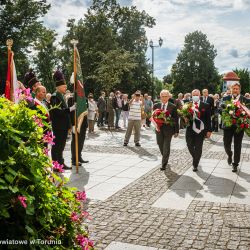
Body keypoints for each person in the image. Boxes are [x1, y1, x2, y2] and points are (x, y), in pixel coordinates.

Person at [49, 70, 75, 170]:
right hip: (58, 126)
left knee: (61, 146)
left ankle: (61, 163)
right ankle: (56, 165)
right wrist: (70, 109)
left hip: (63, 126)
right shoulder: (54, 96)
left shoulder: (61, 96)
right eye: (64, 86)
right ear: (59, 87)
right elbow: (57, 112)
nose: (66, 88)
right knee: (57, 147)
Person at [221, 82, 250, 172]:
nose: (235, 90)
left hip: (239, 126)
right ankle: (229, 154)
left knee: (238, 145)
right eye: (234, 88)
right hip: (228, 126)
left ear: (239, 90)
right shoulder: (225, 98)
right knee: (226, 144)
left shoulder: (245, 100)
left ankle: (235, 164)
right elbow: (220, 109)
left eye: (237, 89)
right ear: (231, 89)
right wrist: (224, 110)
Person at [186, 89, 212, 171]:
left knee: (198, 147)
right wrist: (184, 119)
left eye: (197, 95)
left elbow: (208, 119)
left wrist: (209, 130)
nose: (195, 96)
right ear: (191, 95)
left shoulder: (206, 105)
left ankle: (195, 164)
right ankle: (196, 157)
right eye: (194, 95)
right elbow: (184, 116)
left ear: (200, 95)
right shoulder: (187, 105)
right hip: (190, 129)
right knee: (189, 145)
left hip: (201, 130)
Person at [153, 90, 179, 171]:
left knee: (166, 146)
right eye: (163, 96)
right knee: (160, 144)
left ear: (168, 97)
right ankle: (165, 156)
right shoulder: (156, 105)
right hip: (159, 129)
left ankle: (164, 163)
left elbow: (176, 119)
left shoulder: (173, 106)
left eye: (166, 96)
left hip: (169, 130)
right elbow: (153, 116)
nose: (164, 98)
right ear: (160, 97)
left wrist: (176, 131)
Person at [68, 95, 89, 166]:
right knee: (75, 141)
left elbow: (86, 111)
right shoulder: (71, 99)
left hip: (83, 124)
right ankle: (74, 159)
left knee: (81, 141)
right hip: (76, 124)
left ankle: (79, 157)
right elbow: (71, 113)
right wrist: (72, 124)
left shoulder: (84, 99)